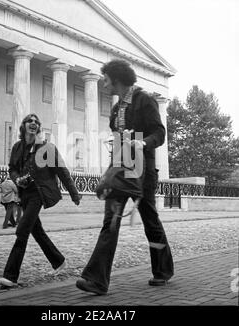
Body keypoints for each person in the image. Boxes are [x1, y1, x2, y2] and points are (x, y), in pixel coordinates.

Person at [76, 59, 174, 295]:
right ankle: (97, 280)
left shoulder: (145, 99)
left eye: (106, 79)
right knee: (110, 222)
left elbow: (159, 132)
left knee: (150, 220)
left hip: (142, 171)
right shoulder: (117, 107)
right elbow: (118, 133)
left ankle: (163, 270)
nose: (104, 83)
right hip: (120, 169)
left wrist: (142, 142)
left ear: (117, 79)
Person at [0, 113, 81, 287]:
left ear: (38, 128)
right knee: (37, 232)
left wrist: (74, 193)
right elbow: (12, 168)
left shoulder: (46, 148)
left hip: (39, 194)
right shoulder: (17, 147)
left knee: (22, 231)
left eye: (36, 121)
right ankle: (58, 261)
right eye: (30, 121)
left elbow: (61, 171)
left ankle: (10, 275)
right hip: (24, 194)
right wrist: (17, 179)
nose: (33, 123)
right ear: (24, 126)